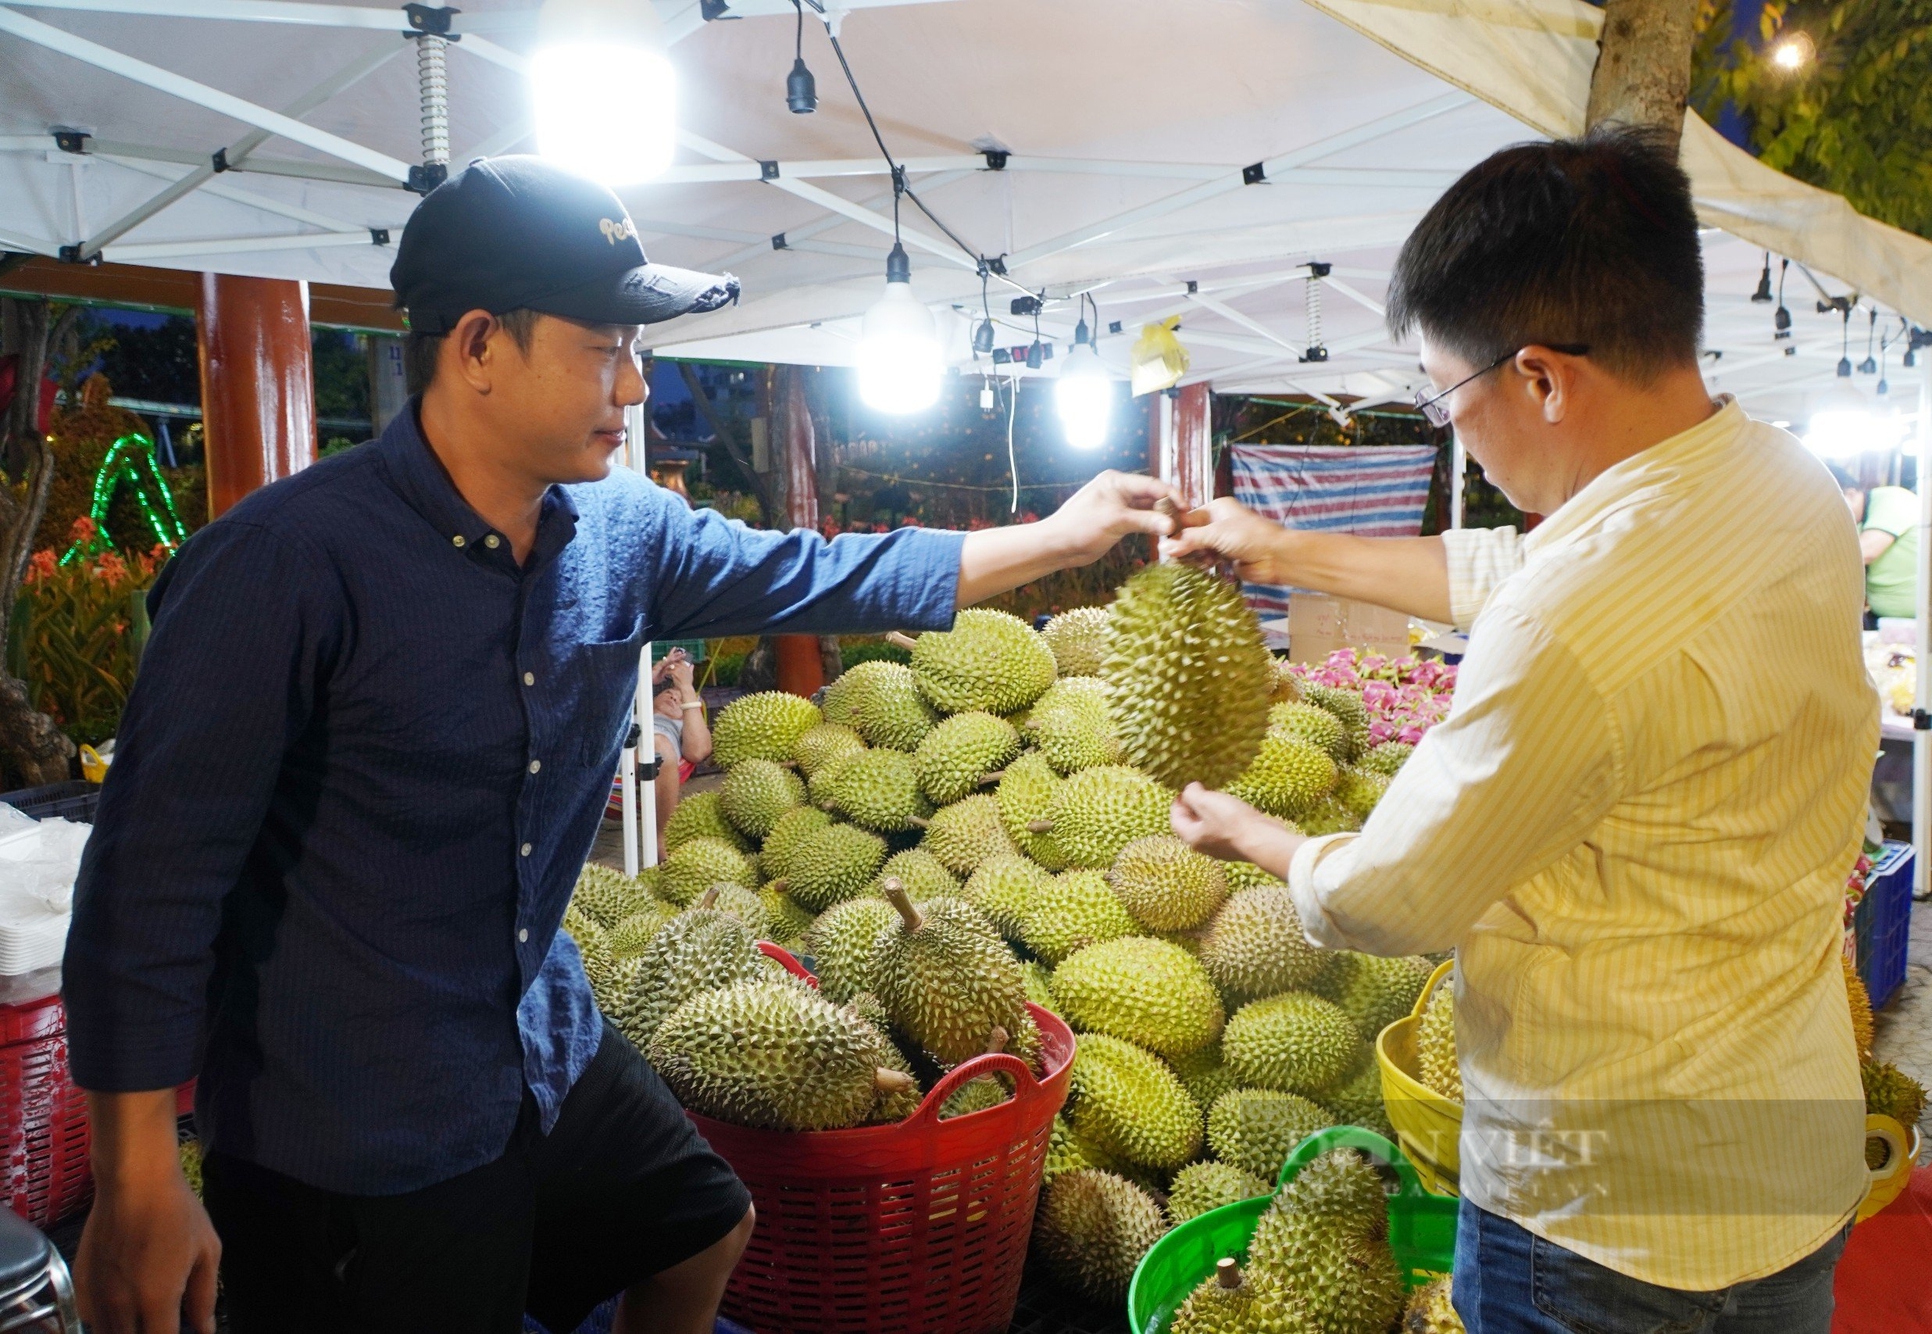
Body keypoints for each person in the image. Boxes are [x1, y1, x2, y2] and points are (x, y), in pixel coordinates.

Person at [64, 156, 1180, 1334]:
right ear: (480, 346)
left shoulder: (619, 528)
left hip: (537, 1039)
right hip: (354, 1116)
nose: (636, 384)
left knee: (702, 1222)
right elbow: (149, 883)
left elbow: (814, 571)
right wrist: (138, 1175)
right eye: (604, 347)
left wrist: (1058, 537)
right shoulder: (284, 564)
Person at [1167, 127, 1876, 1333]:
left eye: (1448, 394)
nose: (1454, 430)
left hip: (1603, 1212)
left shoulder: (1569, 621)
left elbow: (1393, 898)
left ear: (1541, 376)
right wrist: (1275, 545)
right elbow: (1539, 564)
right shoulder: (1784, 484)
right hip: (1789, 1159)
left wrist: (1262, 838)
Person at [1826, 463, 1932, 626]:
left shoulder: (1893, 499)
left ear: (1850, 494)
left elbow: (1866, 552)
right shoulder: (1853, 522)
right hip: (1894, 622)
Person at [650, 647, 710, 843]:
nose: (674, 696)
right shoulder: (634, 713)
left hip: (651, 758)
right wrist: (650, 678)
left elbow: (699, 752)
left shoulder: (680, 728)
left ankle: (662, 839)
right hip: (611, 757)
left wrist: (686, 688)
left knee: (660, 746)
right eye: (669, 691)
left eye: (680, 699)